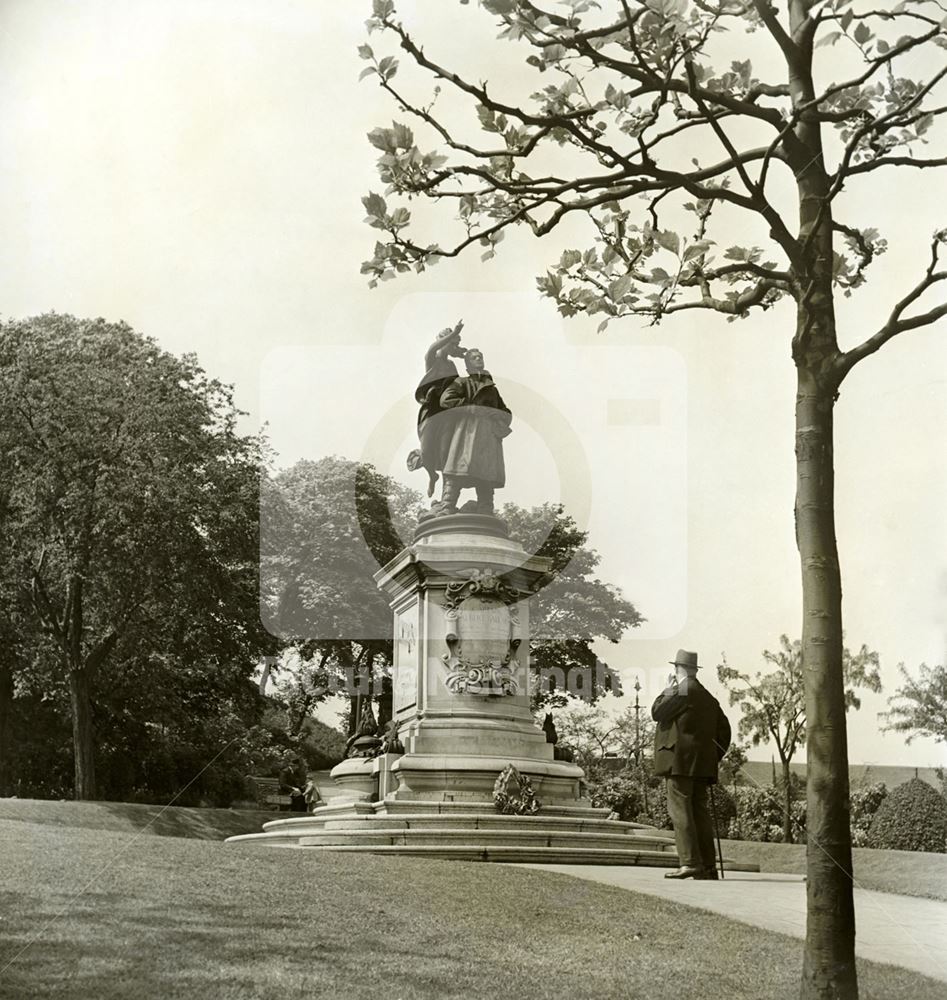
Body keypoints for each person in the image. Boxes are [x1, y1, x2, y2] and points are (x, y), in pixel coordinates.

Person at [410, 325, 512, 519]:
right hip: (456, 425)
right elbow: (446, 400)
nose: (478, 359)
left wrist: (498, 416)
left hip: (486, 435)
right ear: (468, 365)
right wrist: (472, 409)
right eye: (474, 357)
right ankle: (446, 504)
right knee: (453, 463)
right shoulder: (452, 375)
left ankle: (485, 509)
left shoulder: (490, 387)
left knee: (486, 472)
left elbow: (505, 411)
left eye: (480, 356)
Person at [651, 649, 731, 880]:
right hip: (702, 766)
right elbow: (724, 732)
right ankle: (708, 866)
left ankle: (689, 863)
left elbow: (657, 712)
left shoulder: (681, 691)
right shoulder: (708, 697)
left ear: (678, 669)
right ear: (695, 670)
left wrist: (668, 688)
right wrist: (712, 756)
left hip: (679, 763)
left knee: (680, 812)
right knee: (699, 813)